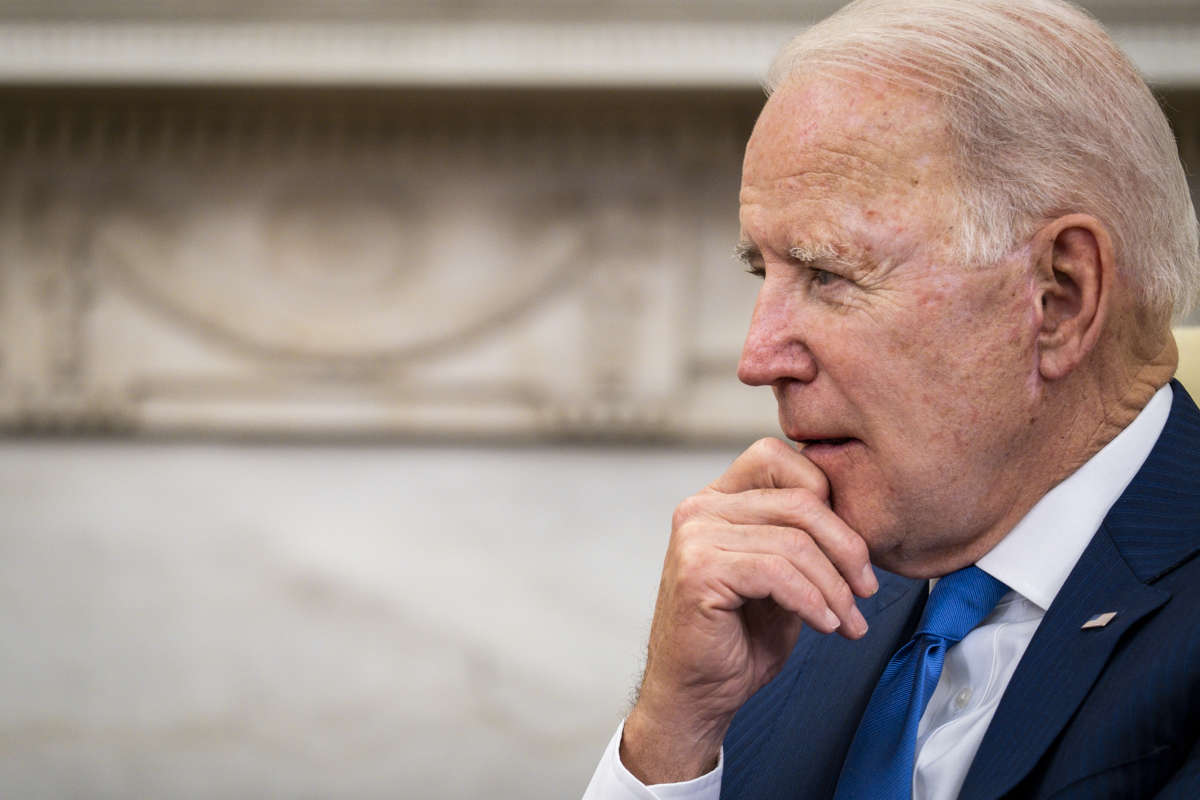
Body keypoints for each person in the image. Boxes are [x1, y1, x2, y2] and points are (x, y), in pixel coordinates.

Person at [584, 0, 1200, 798]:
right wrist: (673, 739)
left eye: (828, 275)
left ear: (1059, 297)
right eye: (760, 275)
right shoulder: (798, 609)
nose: (757, 357)